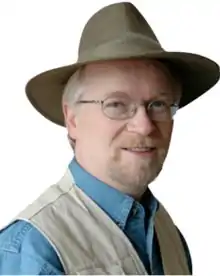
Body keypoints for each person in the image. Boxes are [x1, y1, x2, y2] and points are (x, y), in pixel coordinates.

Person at [0, 2, 219, 275]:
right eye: (116, 105)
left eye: (159, 104)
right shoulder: (35, 251)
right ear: (73, 120)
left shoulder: (168, 235)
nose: (144, 126)